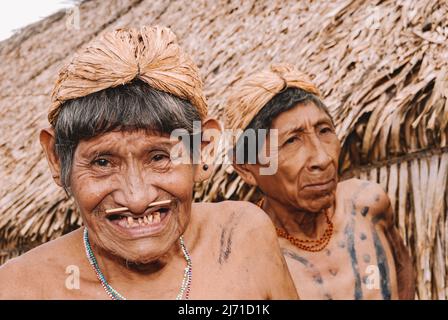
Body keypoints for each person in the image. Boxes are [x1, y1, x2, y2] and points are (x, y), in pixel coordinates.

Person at [0, 27, 297, 300]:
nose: (137, 199)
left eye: (160, 157)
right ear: (56, 157)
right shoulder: (19, 289)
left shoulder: (242, 236)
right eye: (103, 162)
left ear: (204, 149)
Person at [225, 63, 415, 299]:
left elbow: (402, 268)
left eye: (324, 130)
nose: (323, 158)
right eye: (292, 141)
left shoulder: (369, 205)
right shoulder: (248, 261)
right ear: (246, 168)